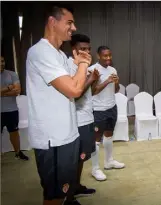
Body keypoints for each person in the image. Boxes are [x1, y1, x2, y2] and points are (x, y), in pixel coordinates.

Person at [26, 4, 92, 205]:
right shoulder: (40, 51)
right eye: (69, 23)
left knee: (64, 190)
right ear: (52, 22)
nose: (73, 28)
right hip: (52, 138)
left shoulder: (60, 55)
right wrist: (82, 64)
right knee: (53, 196)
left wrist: (80, 66)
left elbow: (77, 83)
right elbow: (74, 89)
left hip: (67, 134)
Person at [65, 34, 98, 204]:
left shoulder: (85, 67)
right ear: (74, 51)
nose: (86, 52)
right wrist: (90, 79)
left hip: (87, 117)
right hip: (76, 120)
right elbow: (75, 96)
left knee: (82, 157)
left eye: (88, 49)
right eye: (82, 49)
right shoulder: (71, 67)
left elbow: (89, 93)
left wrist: (94, 81)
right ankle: (68, 197)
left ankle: (76, 186)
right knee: (74, 159)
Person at [89, 46, 125, 181]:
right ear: (98, 56)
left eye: (110, 55)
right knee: (96, 140)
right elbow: (92, 91)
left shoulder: (112, 70)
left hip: (111, 107)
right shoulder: (93, 70)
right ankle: (95, 169)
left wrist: (116, 82)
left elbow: (116, 90)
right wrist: (107, 81)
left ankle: (109, 162)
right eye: (105, 56)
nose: (108, 58)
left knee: (109, 136)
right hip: (98, 109)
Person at [1, 56, 29, 160]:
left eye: (3, 61)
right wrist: (9, 87)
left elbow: (17, 91)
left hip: (11, 110)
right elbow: (13, 89)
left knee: (14, 132)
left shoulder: (12, 74)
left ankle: (18, 153)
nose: (1, 64)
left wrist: (2, 92)